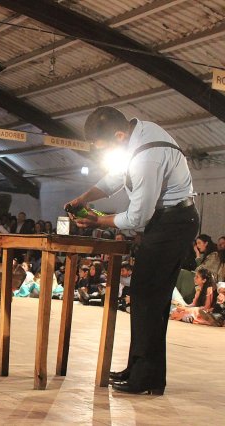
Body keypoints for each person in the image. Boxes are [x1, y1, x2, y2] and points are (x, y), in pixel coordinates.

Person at [67, 106, 198, 395]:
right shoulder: (140, 133)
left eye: (104, 146)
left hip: (173, 223)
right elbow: (115, 178)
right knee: (146, 298)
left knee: (147, 298)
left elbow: (138, 217)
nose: (104, 153)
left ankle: (144, 377)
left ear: (118, 135)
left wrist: (98, 220)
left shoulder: (146, 157)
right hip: (168, 221)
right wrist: (84, 197)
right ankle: (141, 370)